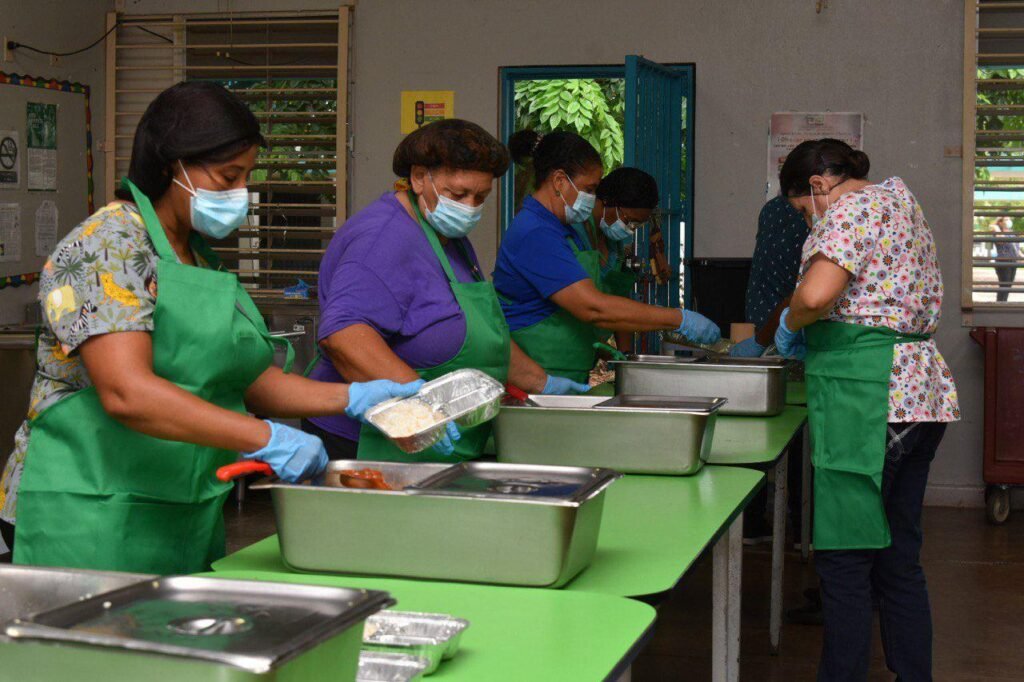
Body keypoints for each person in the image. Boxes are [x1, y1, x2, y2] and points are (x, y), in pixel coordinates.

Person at [0, 82, 419, 574]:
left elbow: (237, 377)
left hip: (177, 501)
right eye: (227, 176)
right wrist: (266, 437)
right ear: (170, 165)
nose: (239, 194)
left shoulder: (194, 255)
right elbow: (126, 391)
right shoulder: (107, 243)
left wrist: (356, 398)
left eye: (246, 177)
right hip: (87, 506)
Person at [773, 139, 960, 681]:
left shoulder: (851, 208)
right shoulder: (902, 201)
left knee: (846, 558)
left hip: (870, 396)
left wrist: (792, 321)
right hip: (919, 396)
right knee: (899, 558)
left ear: (815, 186)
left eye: (805, 213)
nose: (812, 222)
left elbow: (815, 296)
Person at [303, 119, 578, 463]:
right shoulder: (383, 238)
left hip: (439, 438)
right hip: (370, 444)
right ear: (419, 178)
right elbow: (344, 336)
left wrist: (543, 384)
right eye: (458, 194)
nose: (469, 207)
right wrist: (421, 408)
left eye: (481, 197)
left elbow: (480, 334)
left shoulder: (451, 240)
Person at [494, 130, 720, 383]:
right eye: (589, 189)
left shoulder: (562, 229)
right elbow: (592, 307)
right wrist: (679, 319)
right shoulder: (535, 232)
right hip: (536, 376)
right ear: (559, 181)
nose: (593, 198)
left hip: (561, 372)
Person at [580, 167, 659, 354]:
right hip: (560, 346)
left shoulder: (615, 244)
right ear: (608, 202)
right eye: (629, 220)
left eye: (638, 225)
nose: (631, 229)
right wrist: (678, 320)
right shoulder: (575, 233)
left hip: (585, 353)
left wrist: (624, 360)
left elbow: (619, 299)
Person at [731, 193, 810, 357]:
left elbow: (809, 297)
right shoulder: (773, 210)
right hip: (769, 322)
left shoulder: (838, 221)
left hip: (795, 323)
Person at [992, 216, 1020, 302]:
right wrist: (996, 227)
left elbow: (1015, 248)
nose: (1009, 221)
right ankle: (999, 303)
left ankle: (1003, 302)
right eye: (1006, 219)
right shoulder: (998, 232)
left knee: (1009, 285)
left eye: (1009, 219)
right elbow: (1001, 240)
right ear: (1000, 222)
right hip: (1003, 261)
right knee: (1004, 284)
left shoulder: (1012, 234)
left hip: (1013, 261)